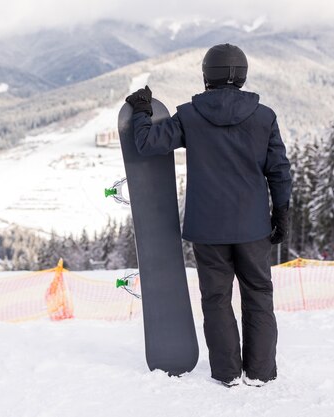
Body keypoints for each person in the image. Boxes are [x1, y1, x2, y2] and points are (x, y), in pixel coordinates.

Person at [124, 43, 292, 387]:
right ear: (242, 75)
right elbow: (279, 170)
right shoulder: (265, 117)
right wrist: (282, 214)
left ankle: (227, 373)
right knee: (259, 295)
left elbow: (146, 143)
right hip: (254, 227)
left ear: (206, 75)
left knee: (216, 300)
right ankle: (260, 372)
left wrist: (140, 109)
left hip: (207, 228)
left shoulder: (189, 115)